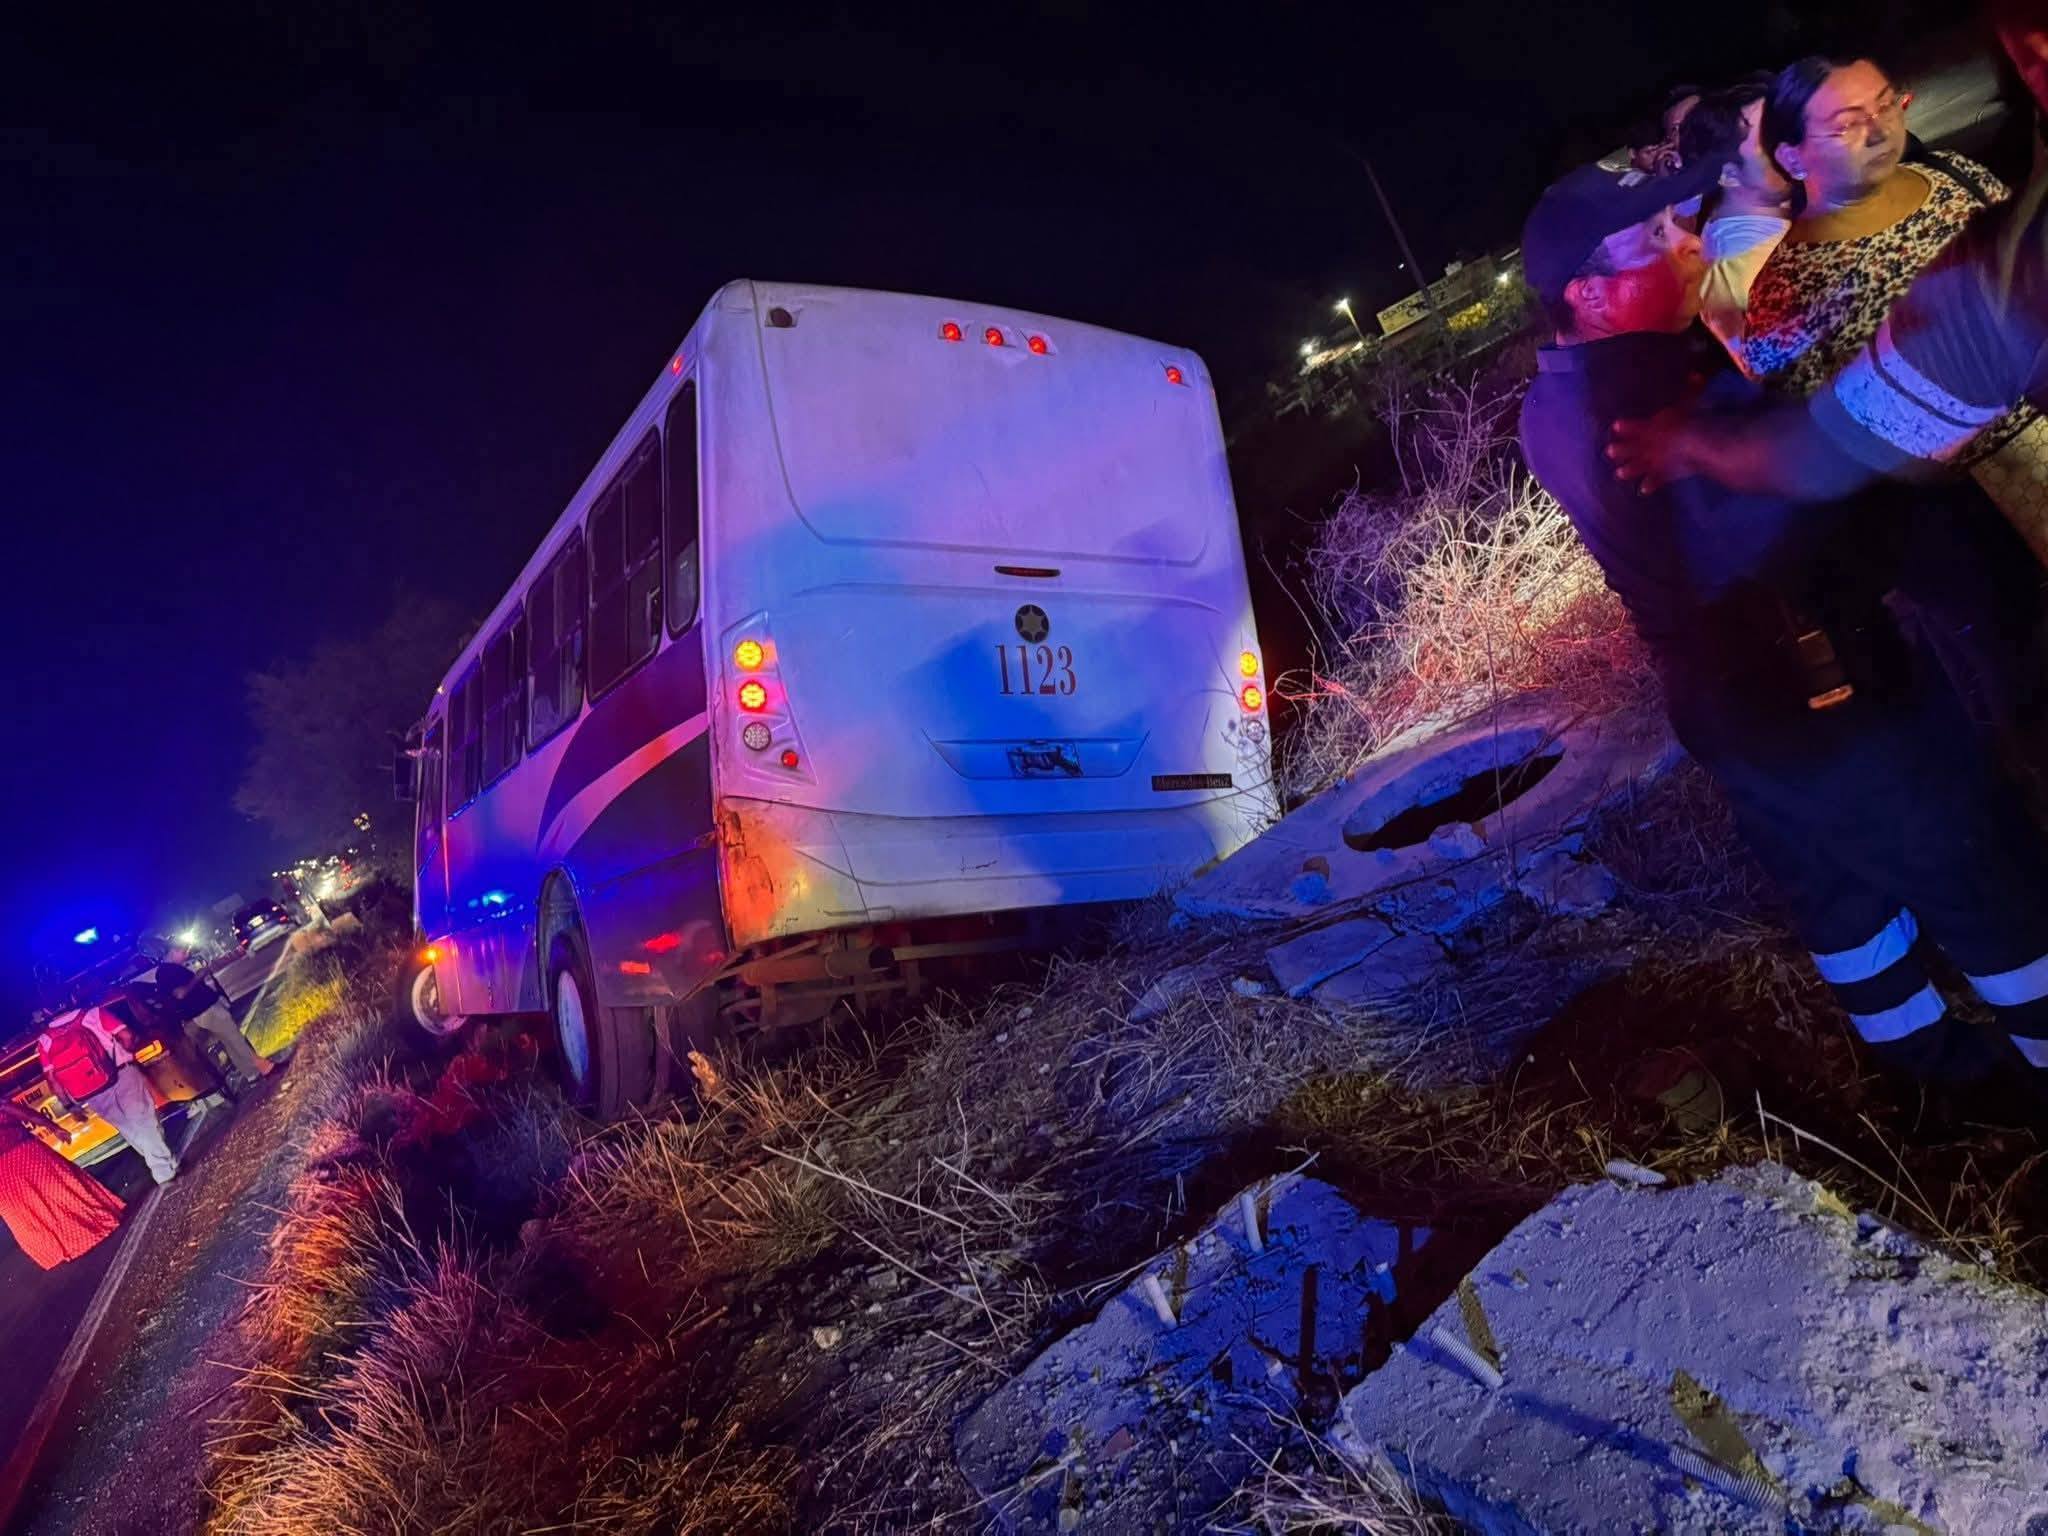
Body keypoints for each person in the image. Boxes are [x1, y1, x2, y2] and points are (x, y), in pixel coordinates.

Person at [1519, 155, 2048, 1089]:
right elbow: (1814, 526)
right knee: (1986, 878)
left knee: (1838, 896)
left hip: (1725, 705)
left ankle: (1934, 1076)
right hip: (1830, 687)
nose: (1687, 242)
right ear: (1589, 294)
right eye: (1652, 240)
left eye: (1678, 222)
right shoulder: (1669, 392)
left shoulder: (1550, 396)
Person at [1605, 5, 2048, 562]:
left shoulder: (1950, 176)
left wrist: (1698, 443)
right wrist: (1701, 443)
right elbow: (1830, 442)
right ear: (1791, 153)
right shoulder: (1777, 283)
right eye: (1844, 123)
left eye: (1887, 103)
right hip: (1978, 510)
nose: (1879, 128)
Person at [1677, 75, 1793, 367]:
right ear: (1728, 174)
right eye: (1770, 140)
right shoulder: (1741, 267)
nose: (1795, 141)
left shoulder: (1776, 210)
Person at [36, 1003, 180, 1184]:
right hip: (121, 1073)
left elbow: (52, 1079)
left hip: (91, 1091)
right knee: (144, 1120)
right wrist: (127, 1054)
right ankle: (163, 1172)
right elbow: (127, 1036)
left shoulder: (45, 1040)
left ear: (46, 1010)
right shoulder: (93, 1014)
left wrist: (70, 1106)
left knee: (129, 1128)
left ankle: (166, 1162)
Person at [0, 1099, 126, 1269]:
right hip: (24, 1154)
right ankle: (89, 1228)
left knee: (26, 1212)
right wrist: (54, 1127)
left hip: (6, 1177)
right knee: (59, 1190)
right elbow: (26, 1114)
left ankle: (58, 1249)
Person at [142, 958, 275, 1083]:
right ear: (172, 952)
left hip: (203, 1012)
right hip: (206, 1010)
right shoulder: (167, 971)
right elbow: (180, 993)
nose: (186, 954)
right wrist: (198, 976)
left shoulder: (167, 971)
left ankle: (251, 1074)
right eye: (182, 951)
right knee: (235, 1038)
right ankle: (265, 1067)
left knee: (229, 1042)